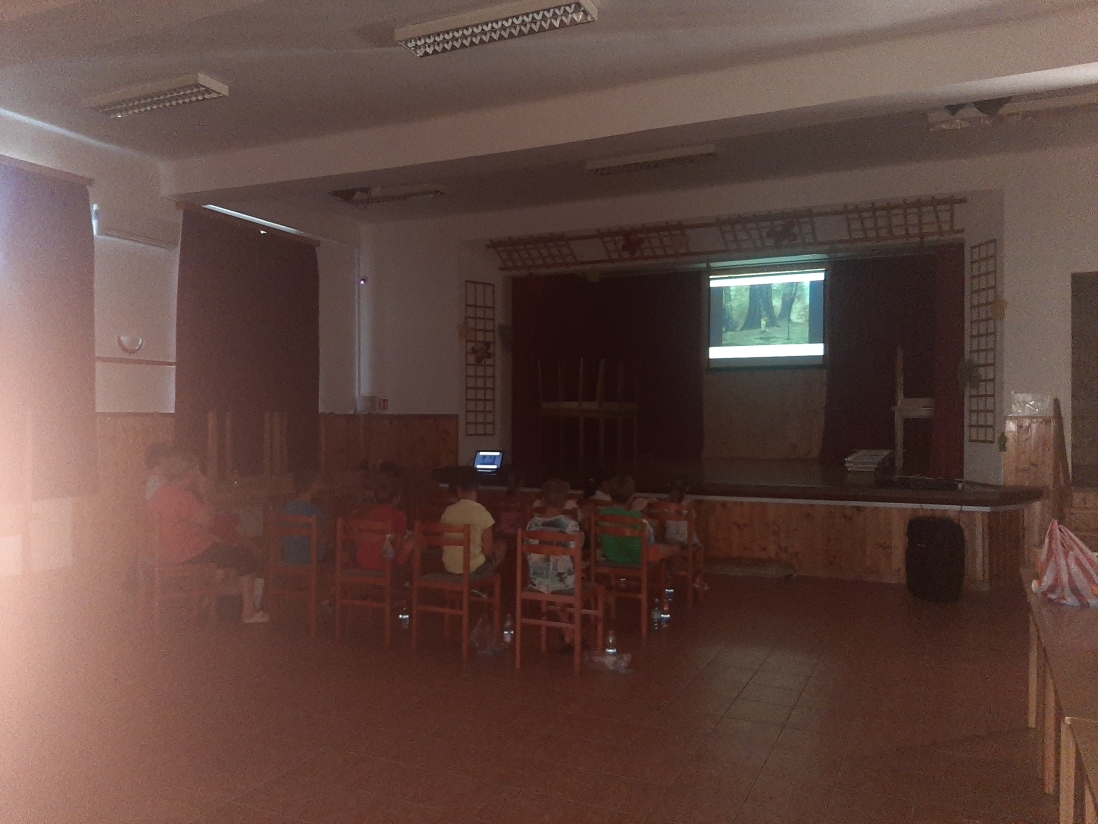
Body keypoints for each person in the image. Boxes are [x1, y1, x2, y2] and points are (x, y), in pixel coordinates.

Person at [148, 452, 268, 623]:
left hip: (165, 552)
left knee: (225, 555)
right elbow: (208, 521)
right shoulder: (183, 497)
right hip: (189, 552)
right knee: (244, 556)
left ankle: (204, 604)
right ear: (188, 472)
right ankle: (249, 611)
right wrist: (204, 493)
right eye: (196, 470)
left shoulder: (158, 496)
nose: (199, 474)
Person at [524, 478, 585, 649]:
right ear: (565, 502)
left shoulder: (532, 524)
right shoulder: (570, 525)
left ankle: (568, 633)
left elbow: (529, 553)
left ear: (542, 500)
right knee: (569, 578)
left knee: (557, 577)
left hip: (537, 579)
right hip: (564, 581)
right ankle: (572, 633)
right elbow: (575, 555)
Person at [440, 470, 506, 575]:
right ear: (477, 488)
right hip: (473, 568)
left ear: (458, 489)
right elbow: (488, 550)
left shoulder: (448, 511)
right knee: (501, 545)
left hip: (449, 566)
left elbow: (442, 542)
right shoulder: (483, 512)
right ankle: (482, 579)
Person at [596, 474, 657, 565]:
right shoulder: (638, 517)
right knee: (674, 548)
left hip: (611, 557)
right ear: (631, 497)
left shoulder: (602, 514)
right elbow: (649, 538)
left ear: (611, 495)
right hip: (637, 559)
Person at [354, 474, 409, 570]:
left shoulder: (371, 514)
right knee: (414, 540)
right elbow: (398, 545)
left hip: (362, 560)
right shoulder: (400, 516)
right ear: (396, 499)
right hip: (384, 561)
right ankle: (406, 573)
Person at [281, 470, 328, 565]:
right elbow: (321, 536)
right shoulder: (316, 511)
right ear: (313, 486)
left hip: (290, 557)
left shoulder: (286, 509)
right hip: (310, 557)